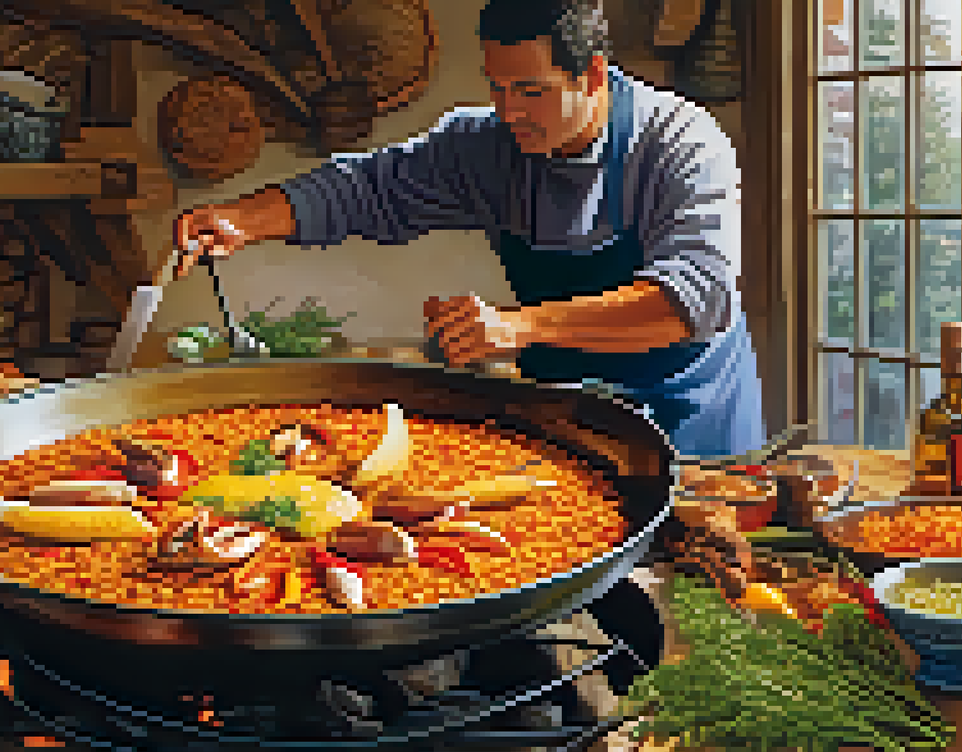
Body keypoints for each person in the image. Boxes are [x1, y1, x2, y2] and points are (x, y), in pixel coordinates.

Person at [170, 0, 766, 458]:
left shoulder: (682, 142)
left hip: (693, 430)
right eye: (497, 88)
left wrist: (519, 325)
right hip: (569, 421)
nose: (510, 113)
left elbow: (692, 303)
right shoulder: (485, 145)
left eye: (531, 91)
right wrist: (242, 219)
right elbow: (367, 189)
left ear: (591, 77)